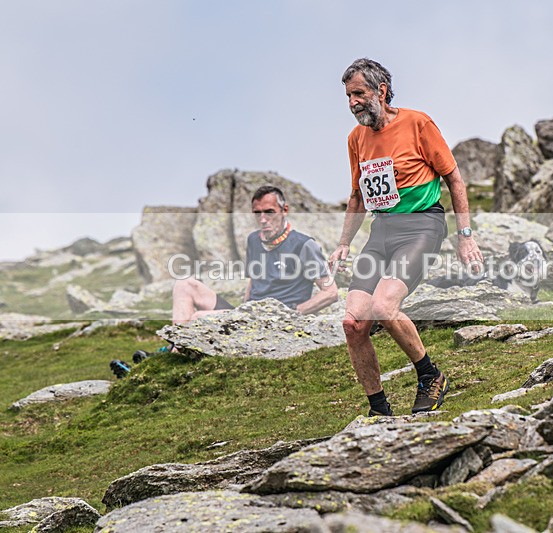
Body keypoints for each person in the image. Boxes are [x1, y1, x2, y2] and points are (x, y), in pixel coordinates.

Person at [328, 58, 483, 416]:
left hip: (422, 227)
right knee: (353, 323)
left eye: (359, 94)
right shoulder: (356, 139)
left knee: (384, 307)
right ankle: (379, 409)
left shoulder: (418, 123)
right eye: (348, 96)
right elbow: (358, 196)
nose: (352, 103)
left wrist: (465, 235)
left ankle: (430, 376)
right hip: (382, 231)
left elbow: (454, 178)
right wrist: (344, 243)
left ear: (381, 91)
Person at [111, 185, 338, 378]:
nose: (263, 219)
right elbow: (253, 281)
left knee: (198, 319)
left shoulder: (304, 245)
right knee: (184, 285)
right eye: (257, 213)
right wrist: (239, 311)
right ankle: (174, 349)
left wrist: (294, 313)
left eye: (269, 212)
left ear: (284, 210)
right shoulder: (254, 240)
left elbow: (330, 292)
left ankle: (155, 367)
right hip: (247, 314)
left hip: (274, 319)